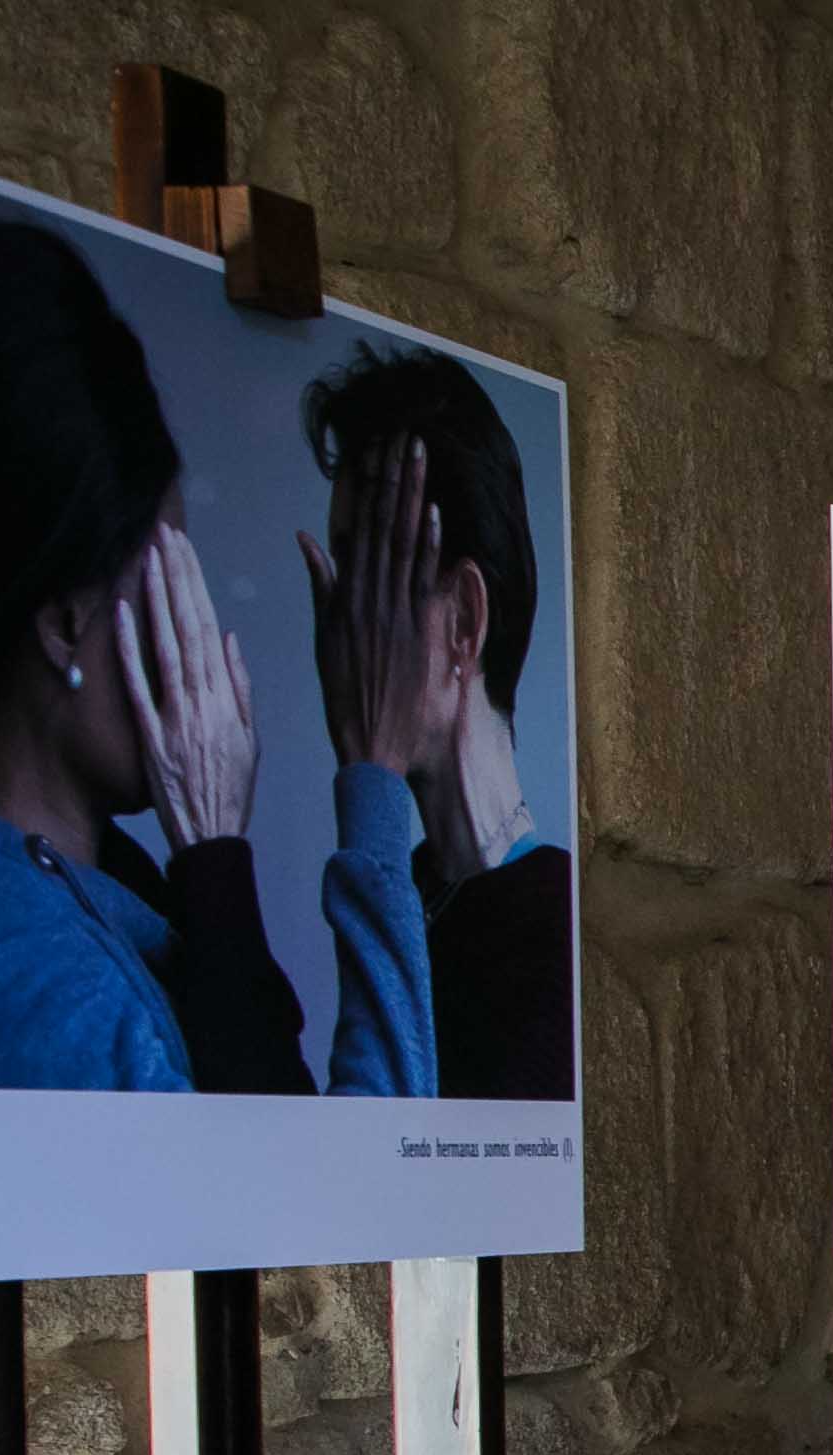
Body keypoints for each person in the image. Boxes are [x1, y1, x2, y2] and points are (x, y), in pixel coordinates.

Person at [0, 219, 423, 1097]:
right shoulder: (25, 987)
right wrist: (222, 849)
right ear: (67, 626)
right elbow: (337, 1218)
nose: (207, 639)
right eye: (172, 576)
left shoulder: (56, 883)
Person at [299, 340, 570, 1099]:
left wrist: (369, 779)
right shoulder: (413, 892)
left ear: (465, 623)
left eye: (378, 568)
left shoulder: (557, 938)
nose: (348, 615)